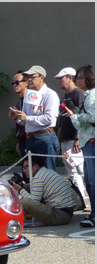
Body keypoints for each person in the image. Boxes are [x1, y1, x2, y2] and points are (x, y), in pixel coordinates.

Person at [10, 65, 60, 171]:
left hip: (45, 137)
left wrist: (26, 118)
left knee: (48, 172)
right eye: (28, 77)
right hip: (30, 138)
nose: (29, 80)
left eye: (33, 77)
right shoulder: (30, 94)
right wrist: (17, 118)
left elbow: (48, 119)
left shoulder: (50, 95)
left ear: (42, 77)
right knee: (34, 173)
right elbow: (27, 120)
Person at [65, 64, 95, 227]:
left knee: (92, 181)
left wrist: (73, 115)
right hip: (89, 141)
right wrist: (75, 110)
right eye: (77, 77)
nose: (78, 80)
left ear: (89, 78)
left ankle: (95, 215)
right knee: (90, 180)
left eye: (81, 77)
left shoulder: (91, 95)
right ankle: (93, 214)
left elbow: (93, 118)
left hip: (91, 141)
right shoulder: (88, 94)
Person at [12, 156, 75, 226]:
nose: (24, 170)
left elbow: (33, 201)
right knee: (26, 200)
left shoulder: (38, 178)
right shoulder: (45, 172)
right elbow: (35, 190)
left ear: (36, 166)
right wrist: (22, 186)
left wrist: (20, 189)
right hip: (66, 212)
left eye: (26, 167)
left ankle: (10, 221)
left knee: (24, 202)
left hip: (59, 215)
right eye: (23, 167)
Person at [55, 67, 87, 204]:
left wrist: (77, 138)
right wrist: (59, 137)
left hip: (74, 141)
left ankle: (88, 201)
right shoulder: (65, 97)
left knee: (80, 170)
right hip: (65, 140)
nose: (58, 81)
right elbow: (62, 120)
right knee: (71, 171)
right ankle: (83, 201)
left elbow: (80, 116)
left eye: (61, 78)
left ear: (70, 78)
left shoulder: (78, 93)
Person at [9, 70, 28, 157]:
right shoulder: (19, 101)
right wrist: (19, 142)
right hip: (23, 141)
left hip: (32, 140)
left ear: (26, 83)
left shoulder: (32, 100)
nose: (15, 85)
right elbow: (20, 125)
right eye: (13, 83)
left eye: (17, 82)